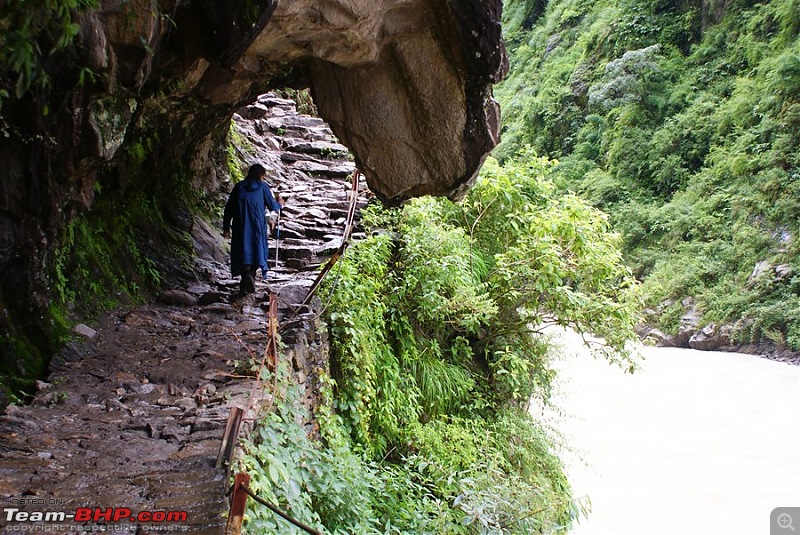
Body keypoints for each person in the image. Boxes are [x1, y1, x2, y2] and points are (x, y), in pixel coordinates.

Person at [222, 163, 283, 294]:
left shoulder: (239, 187)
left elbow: (229, 208)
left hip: (240, 225)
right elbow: (273, 206)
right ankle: (251, 275)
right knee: (257, 249)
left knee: (242, 249)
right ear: (261, 176)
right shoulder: (262, 187)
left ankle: (246, 278)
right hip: (257, 226)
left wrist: (226, 227)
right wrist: (280, 203)